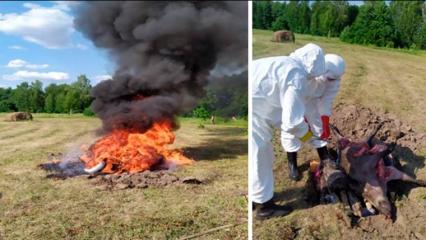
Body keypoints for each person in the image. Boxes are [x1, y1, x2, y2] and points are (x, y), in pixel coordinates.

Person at [251, 43, 326, 220]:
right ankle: (264, 208)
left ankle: (257, 196)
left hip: (256, 110)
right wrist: (309, 136)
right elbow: (292, 123)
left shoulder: (283, 62)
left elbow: (277, 103)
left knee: (262, 156)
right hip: (255, 114)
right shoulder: (296, 75)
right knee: (260, 157)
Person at [284, 53, 346, 181]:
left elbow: (327, 99)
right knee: (290, 132)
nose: (331, 82)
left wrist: (325, 120)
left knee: (318, 128)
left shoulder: (335, 79)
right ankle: (292, 165)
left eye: (333, 79)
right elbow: (293, 95)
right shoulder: (305, 73)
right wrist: (300, 117)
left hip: (312, 101)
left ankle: (324, 156)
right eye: (329, 78)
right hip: (293, 101)